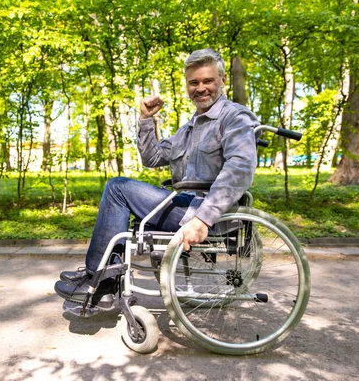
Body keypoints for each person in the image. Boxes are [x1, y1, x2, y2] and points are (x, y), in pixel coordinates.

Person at [54, 48, 260, 304]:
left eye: (208, 81)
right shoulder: (191, 127)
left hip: (207, 212)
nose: (201, 88)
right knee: (121, 193)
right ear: (187, 86)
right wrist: (145, 120)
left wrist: (203, 219)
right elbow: (152, 158)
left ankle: (99, 279)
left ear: (223, 80)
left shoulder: (235, 117)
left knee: (118, 188)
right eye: (193, 82)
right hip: (185, 204)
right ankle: (100, 276)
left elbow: (240, 168)